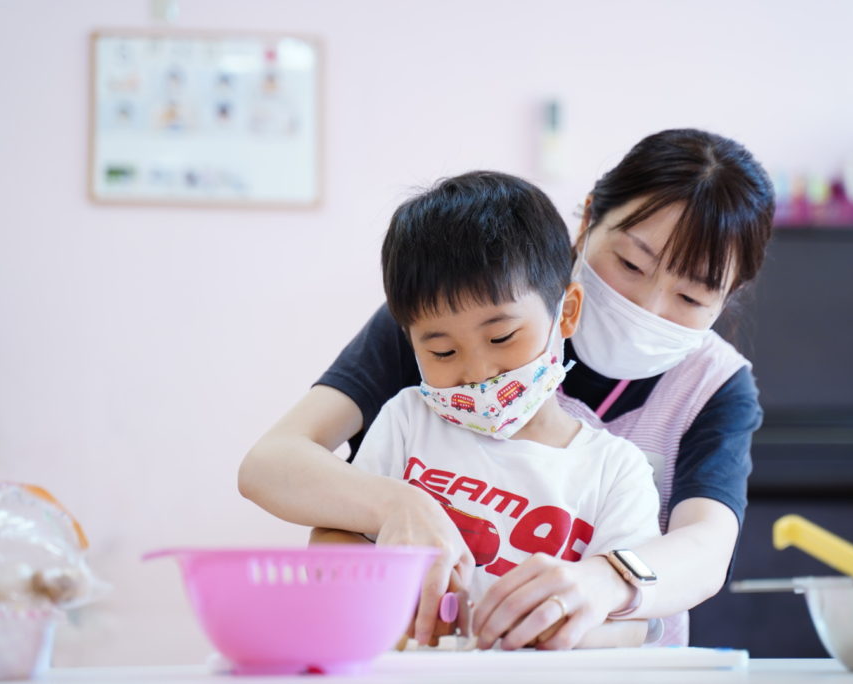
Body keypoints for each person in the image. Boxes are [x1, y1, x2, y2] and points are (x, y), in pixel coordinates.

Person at [239, 128, 775, 650]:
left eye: (691, 297)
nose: (647, 307)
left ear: (729, 294)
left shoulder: (686, 410)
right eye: (631, 264)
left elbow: (704, 549)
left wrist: (601, 585)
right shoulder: (447, 315)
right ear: (590, 218)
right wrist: (391, 508)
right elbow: (277, 465)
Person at [312, 170, 662, 648]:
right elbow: (333, 538)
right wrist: (374, 601)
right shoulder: (406, 422)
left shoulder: (614, 470)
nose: (477, 371)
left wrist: (549, 629)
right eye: (442, 351)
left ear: (566, 313)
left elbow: (635, 625)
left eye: (502, 337)